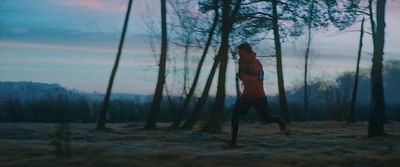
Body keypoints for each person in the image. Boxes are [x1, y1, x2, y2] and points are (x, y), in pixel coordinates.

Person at [230, 42, 289, 147]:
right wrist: (240, 76)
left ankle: (280, 121)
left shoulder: (256, 63)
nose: (239, 55)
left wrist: (244, 77)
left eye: (241, 53)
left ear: (247, 52)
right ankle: (233, 142)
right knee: (235, 116)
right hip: (246, 96)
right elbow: (242, 75)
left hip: (258, 96)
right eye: (239, 53)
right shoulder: (241, 62)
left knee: (266, 118)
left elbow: (259, 78)